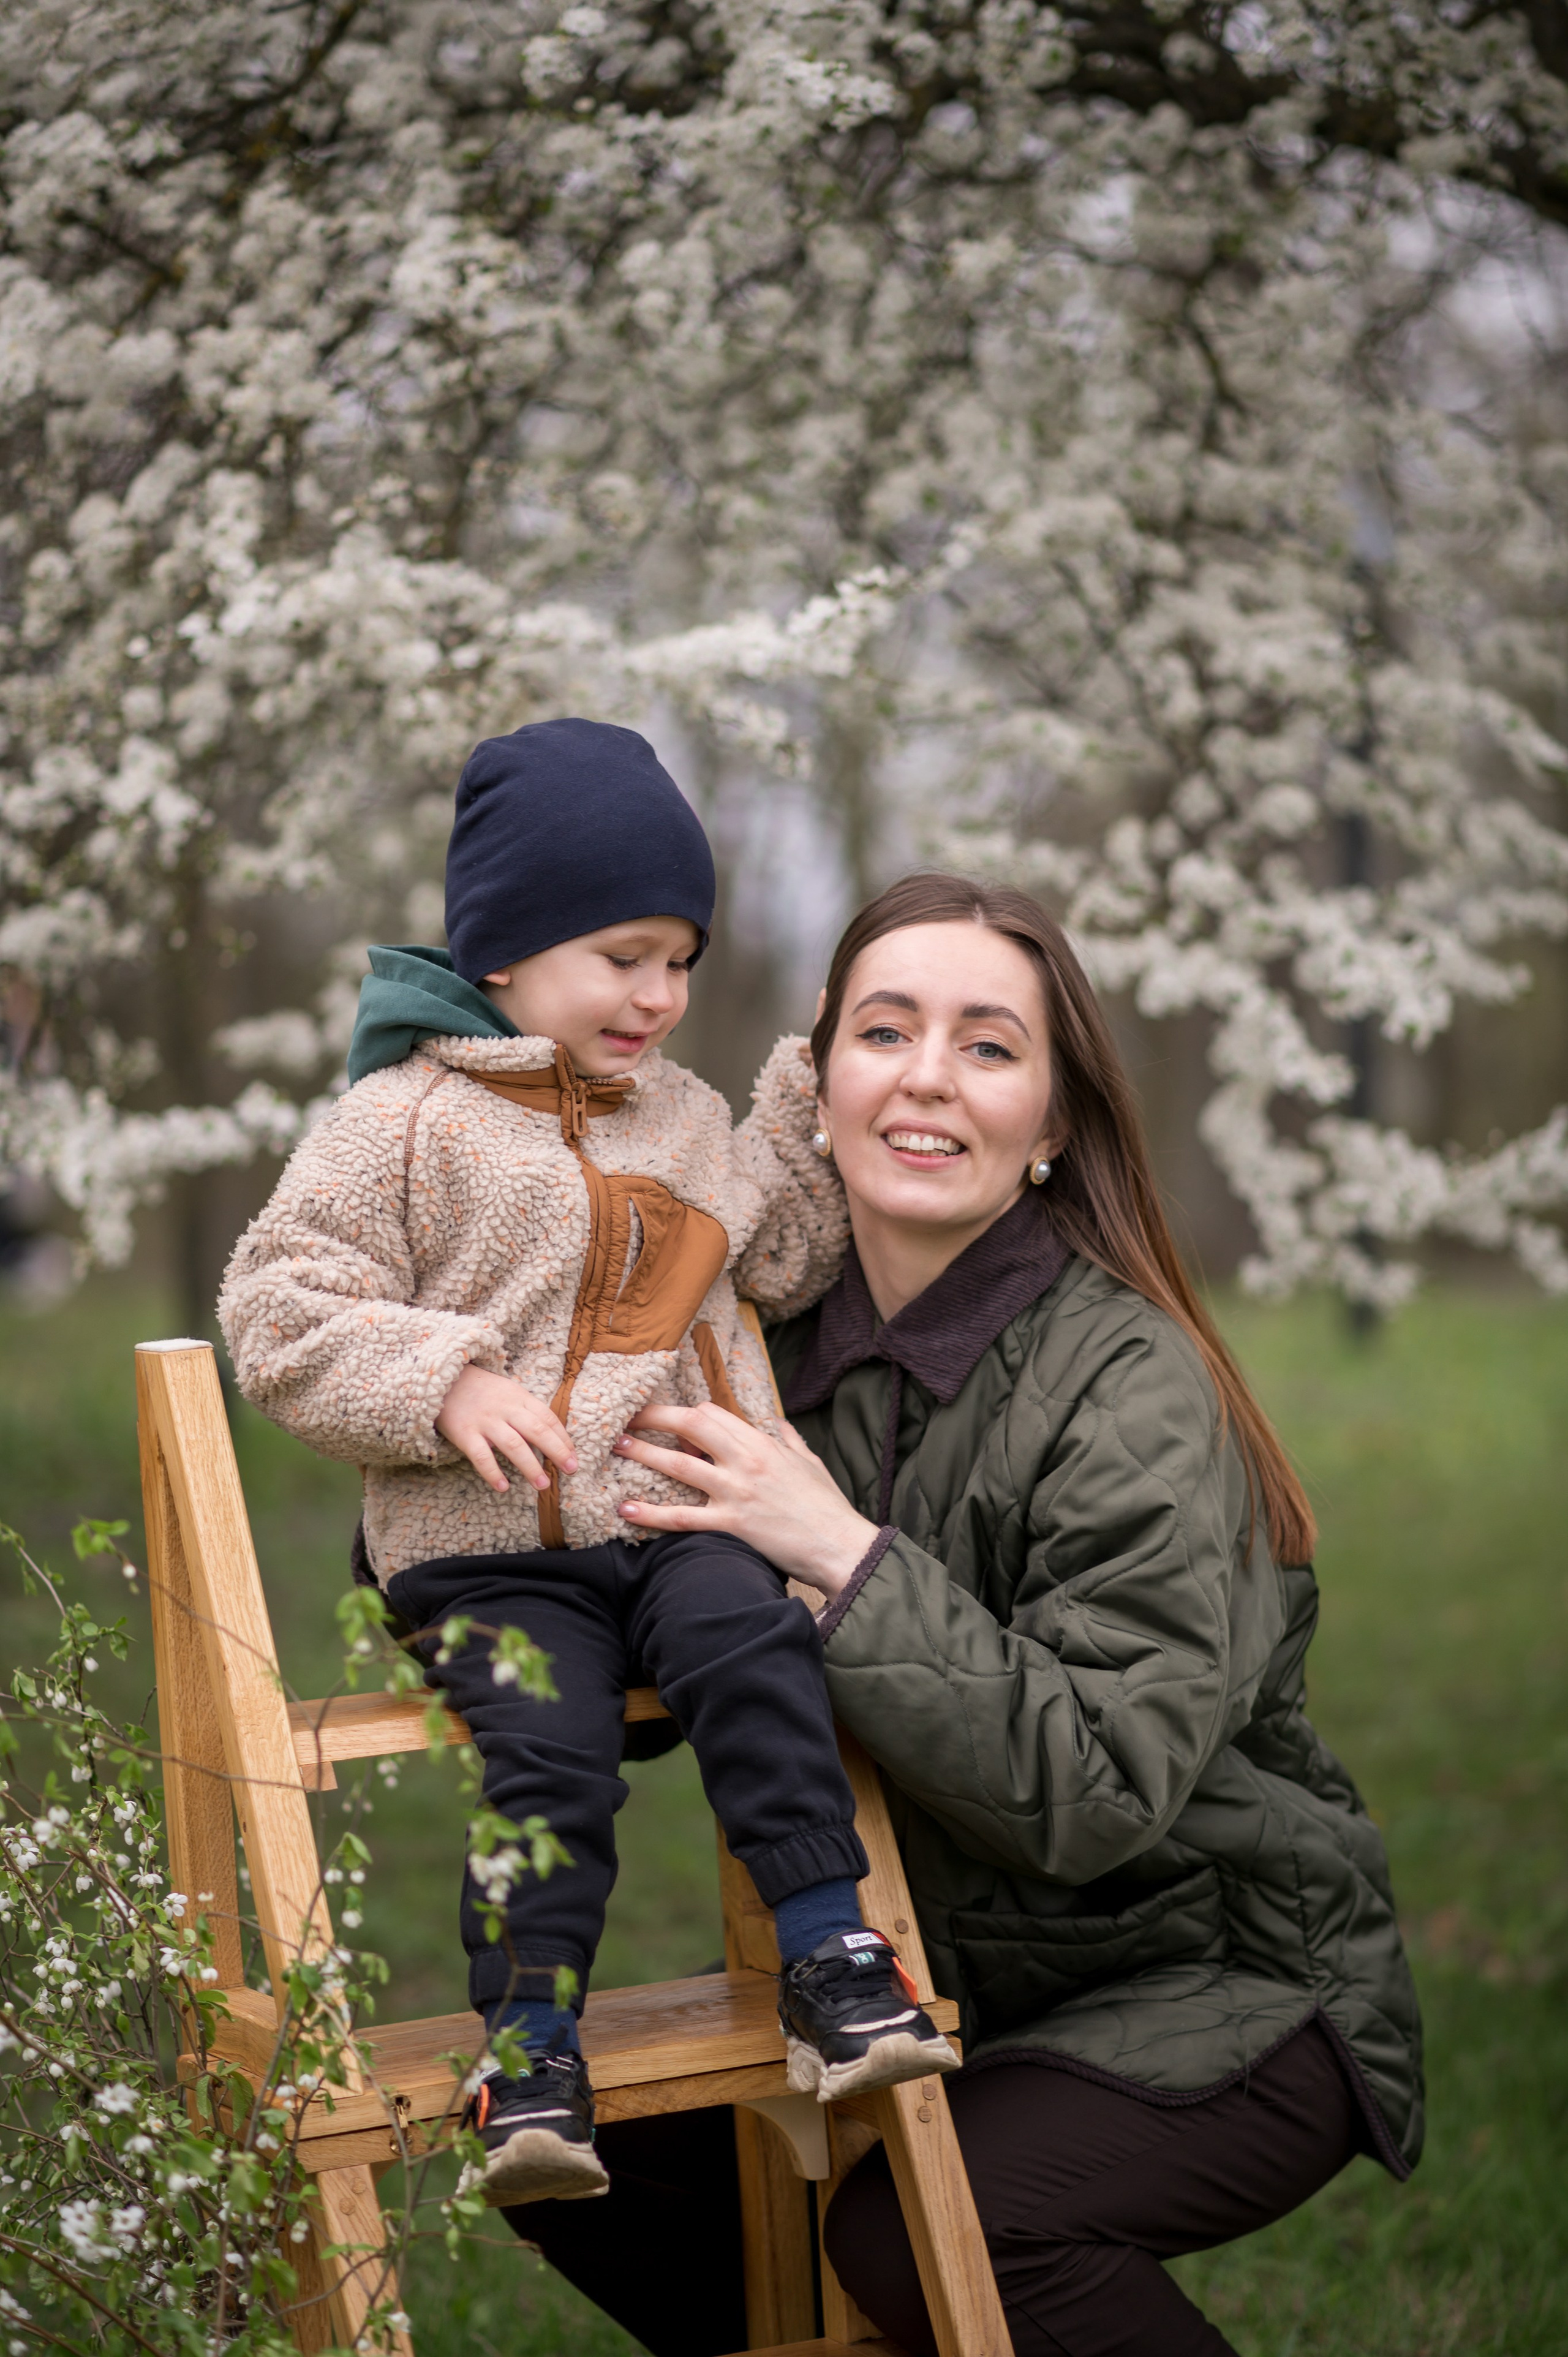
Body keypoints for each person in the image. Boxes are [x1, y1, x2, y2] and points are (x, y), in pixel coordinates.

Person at [508, 870, 1424, 2357]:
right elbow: (586, 1599)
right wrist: (491, 1473)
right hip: (931, 1986)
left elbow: (1098, 1788)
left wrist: (837, 1553)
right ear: (817, 1079)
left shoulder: (1127, 1384)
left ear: (1051, 1121)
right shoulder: (754, 1349)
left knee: (926, 2232)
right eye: (885, 1031)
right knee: (579, 2161)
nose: (926, 1076)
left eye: (988, 1046)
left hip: (1229, 1978)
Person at [217, 722, 957, 2208]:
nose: (657, 995)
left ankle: (830, 1949)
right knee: (547, 1752)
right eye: (623, 955)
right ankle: (531, 2044)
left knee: (756, 1643)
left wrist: (805, 1098)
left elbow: (783, 1254)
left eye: (679, 960)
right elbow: (273, 1308)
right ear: (502, 948)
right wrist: (442, 1376)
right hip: (485, 1547)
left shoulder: (681, 1117)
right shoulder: (401, 1124)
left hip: (670, 1517)